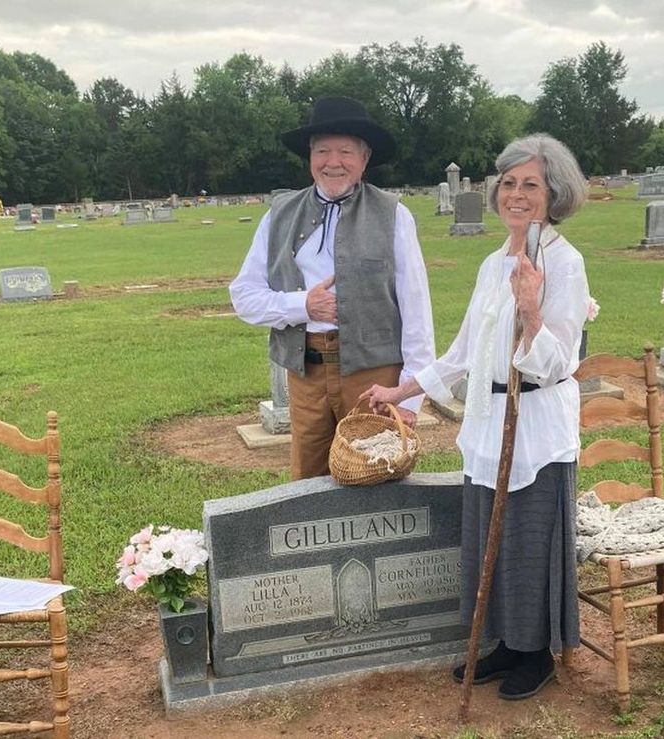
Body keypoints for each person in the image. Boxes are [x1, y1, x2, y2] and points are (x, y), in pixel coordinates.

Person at [360, 133, 589, 700]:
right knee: (494, 535)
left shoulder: (564, 261)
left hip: (534, 424)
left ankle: (536, 654)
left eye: (530, 184)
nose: (515, 194)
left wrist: (532, 310)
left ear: (554, 193)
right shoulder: (494, 263)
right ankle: (508, 643)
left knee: (530, 538)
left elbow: (559, 362)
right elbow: (463, 352)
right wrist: (401, 391)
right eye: (508, 183)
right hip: (489, 420)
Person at [229, 96, 435, 480]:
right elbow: (244, 297)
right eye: (323, 150)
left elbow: (416, 308)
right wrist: (304, 305)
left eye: (345, 151)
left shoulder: (393, 215)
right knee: (306, 483)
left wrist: (411, 395)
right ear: (310, 156)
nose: (333, 161)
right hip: (306, 373)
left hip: (374, 375)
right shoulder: (279, 216)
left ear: (365, 157)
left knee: (376, 477)